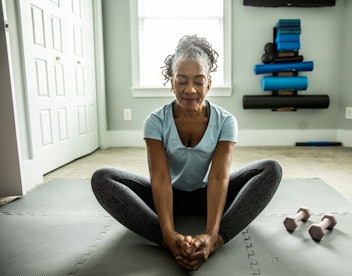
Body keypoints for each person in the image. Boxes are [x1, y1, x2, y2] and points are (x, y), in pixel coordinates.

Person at [91, 35, 282, 271]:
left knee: (271, 169)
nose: (190, 89)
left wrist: (211, 235)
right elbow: (160, 178)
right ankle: (168, 241)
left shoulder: (226, 122)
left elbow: (219, 177)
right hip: (169, 195)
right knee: (102, 179)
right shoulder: (155, 121)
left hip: (208, 194)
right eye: (181, 81)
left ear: (209, 84)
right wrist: (170, 233)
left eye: (198, 81)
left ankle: (218, 240)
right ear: (171, 82)